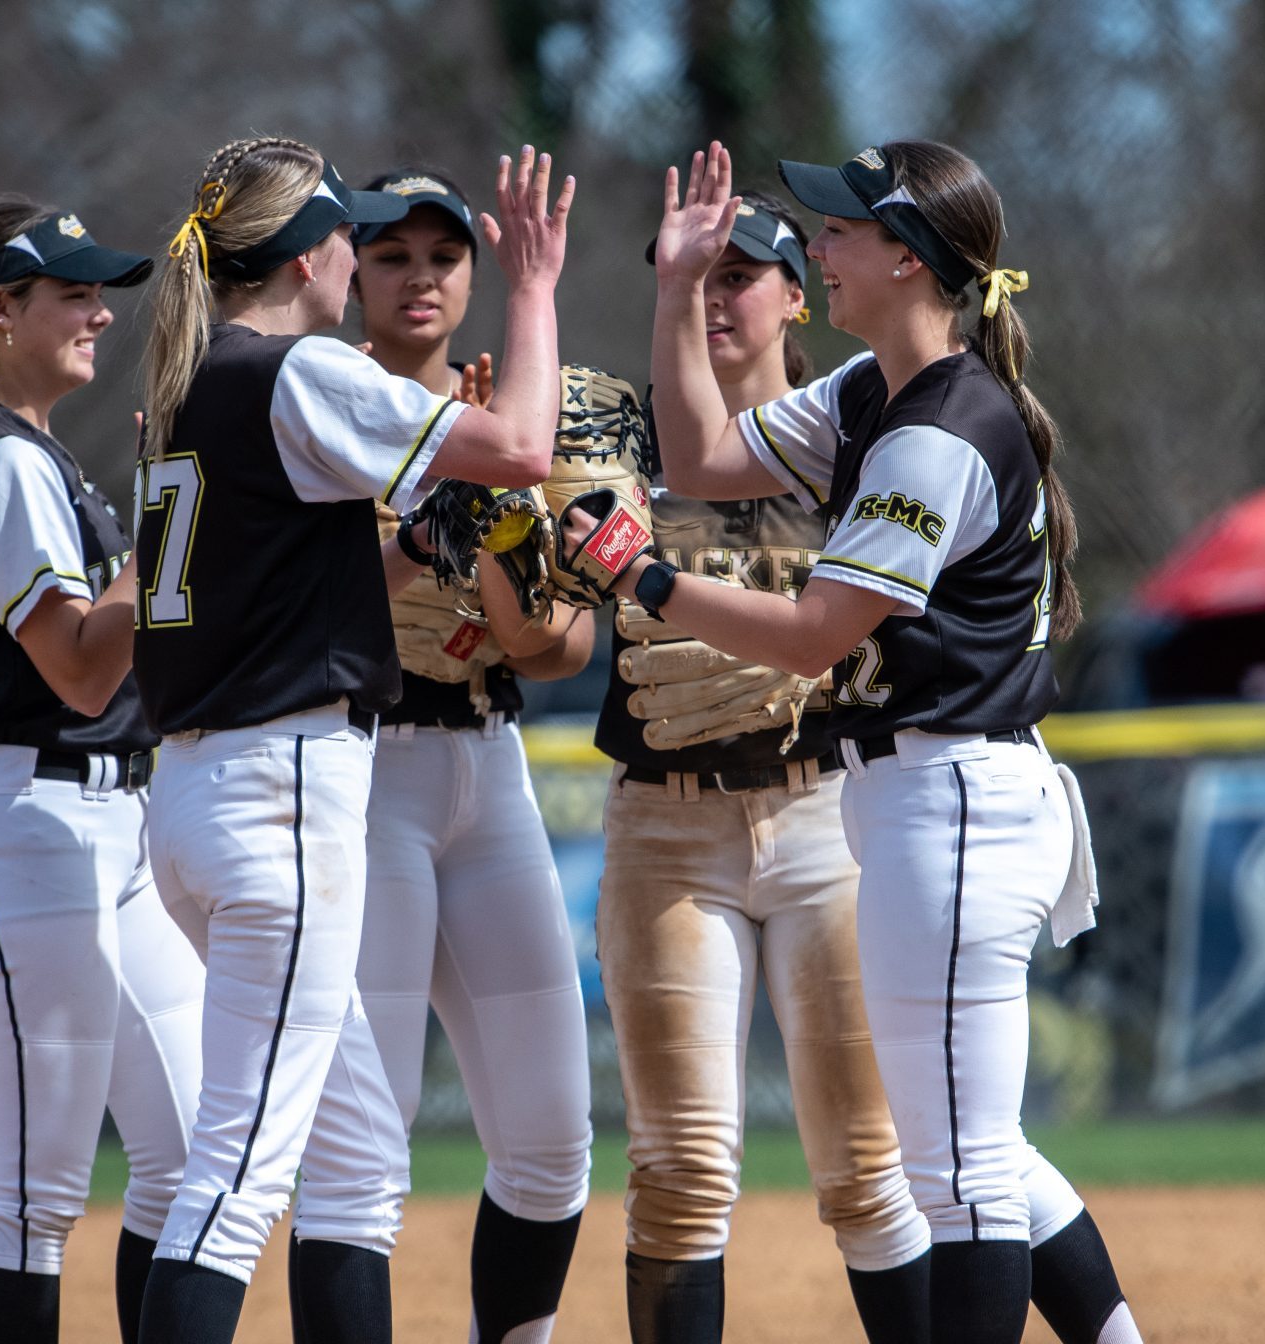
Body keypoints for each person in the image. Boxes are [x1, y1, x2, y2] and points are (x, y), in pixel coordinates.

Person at [590, 140, 1141, 1344]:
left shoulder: (934, 432)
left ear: (906, 257)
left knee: (957, 1179)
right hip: (925, 804)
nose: (819, 248)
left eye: (839, 231)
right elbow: (695, 458)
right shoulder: (867, 395)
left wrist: (646, 581)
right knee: (975, 1150)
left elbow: (811, 633)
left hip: (951, 803)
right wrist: (676, 292)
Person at [128, 138, 573, 1344]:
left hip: (198, 793)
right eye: (346, 237)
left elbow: (267, 578)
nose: (357, 258)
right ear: (307, 256)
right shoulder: (293, 371)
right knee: (233, 1183)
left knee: (358, 1160)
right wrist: (531, 284)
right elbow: (523, 448)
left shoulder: (188, 383)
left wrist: (414, 546)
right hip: (281, 795)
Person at [0, 195, 201, 1344]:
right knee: (35, 1193)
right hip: (25, 826)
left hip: (103, 830)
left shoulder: (34, 456)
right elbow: (73, 670)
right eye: (72, 291)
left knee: (183, 1157)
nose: (101, 313)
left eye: (100, 290)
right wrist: (167, 534)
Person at [283, 165, 592, 1344]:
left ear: (475, 275)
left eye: (443, 257)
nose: (418, 278)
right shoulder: (317, 396)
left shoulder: (509, 421)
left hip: (489, 764)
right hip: (366, 772)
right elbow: (293, 611)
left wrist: (502, 515)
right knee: (364, 1145)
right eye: (391, 255)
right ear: (345, 268)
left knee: (554, 1140)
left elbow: (549, 646)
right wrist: (423, 534)